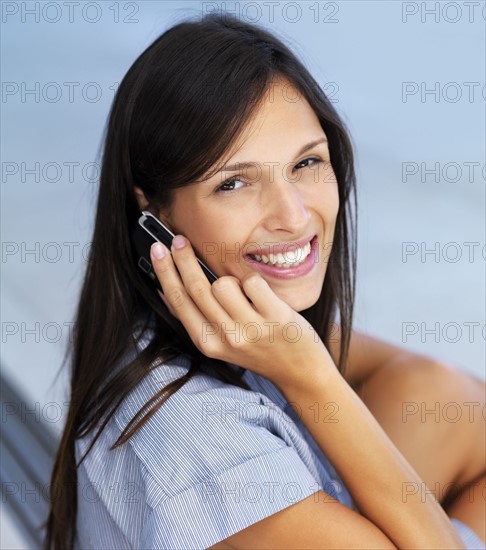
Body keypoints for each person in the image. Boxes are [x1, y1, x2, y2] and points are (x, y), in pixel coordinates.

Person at [44, 13, 485, 550]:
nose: (294, 217)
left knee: (442, 391)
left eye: (306, 163)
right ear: (152, 212)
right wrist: (311, 378)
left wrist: (306, 363)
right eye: (233, 182)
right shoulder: (192, 433)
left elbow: (439, 388)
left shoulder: (228, 327)